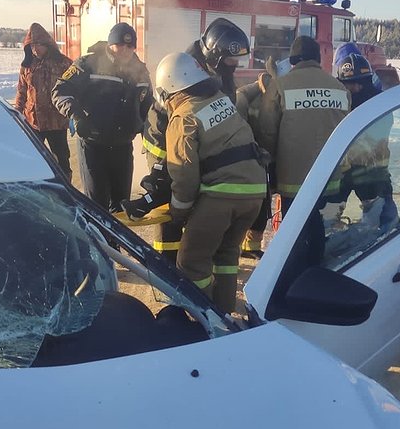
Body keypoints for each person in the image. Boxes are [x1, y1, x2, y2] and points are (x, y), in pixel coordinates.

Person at [121, 18, 250, 262]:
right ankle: (167, 265)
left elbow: (226, 99)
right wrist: (166, 168)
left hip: (190, 138)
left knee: (190, 198)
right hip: (165, 141)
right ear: (215, 54)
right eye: (230, 60)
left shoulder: (218, 68)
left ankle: (190, 256)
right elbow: (175, 119)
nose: (234, 65)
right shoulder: (184, 69)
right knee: (168, 200)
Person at [158, 52, 266, 313]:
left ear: (169, 89)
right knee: (226, 255)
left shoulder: (183, 116)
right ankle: (224, 311)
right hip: (255, 192)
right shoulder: (219, 100)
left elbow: (184, 174)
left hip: (222, 195)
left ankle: (202, 320)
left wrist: (179, 212)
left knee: (192, 261)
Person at [257, 35, 350, 265]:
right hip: (331, 180)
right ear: (318, 59)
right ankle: (317, 272)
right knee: (320, 228)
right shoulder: (339, 88)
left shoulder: (280, 86)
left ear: (293, 60)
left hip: (294, 181)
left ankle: (293, 279)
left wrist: (270, 163)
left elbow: (266, 132)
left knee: (294, 234)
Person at [51, 22, 153, 212]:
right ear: (110, 44)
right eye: (120, 45)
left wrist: (150, 129)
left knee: (121, 205)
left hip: (123, 147)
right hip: (93, 145)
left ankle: (114, 243)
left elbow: (148, 105)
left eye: (130, 46)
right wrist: (77, 116)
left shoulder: (140, 71)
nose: (125, 50)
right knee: (97, 206)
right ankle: (97, 241)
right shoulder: (88, 64)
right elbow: (60, 91)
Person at [234, 57, 291, 259]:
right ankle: (237, 245)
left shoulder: (281, 96)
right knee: (253, 206)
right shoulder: (249, 95)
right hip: (253, 160)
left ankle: (252, 247)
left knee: (262, 208)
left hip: (270, 158)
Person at [335, 53, 396, 230]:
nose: (355, 88)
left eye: (360, 84)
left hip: (372, 171)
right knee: (328, 218)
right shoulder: (338, 104)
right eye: (350, 85)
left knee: (385, 220)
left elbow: (377, 135)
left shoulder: (379, 105)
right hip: (341, 172)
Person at [14, 23, 73, 179]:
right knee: (32, 159)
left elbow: (74, 89)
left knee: (61, 160)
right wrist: (17, 115)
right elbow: (21, 92)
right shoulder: (27, 66)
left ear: (47, 44)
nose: (35, 49)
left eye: (38, 45)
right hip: (33, 121)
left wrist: (74, 114)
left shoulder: (64, 63)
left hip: (56, 121)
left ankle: (66, 189)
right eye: (32, 46)